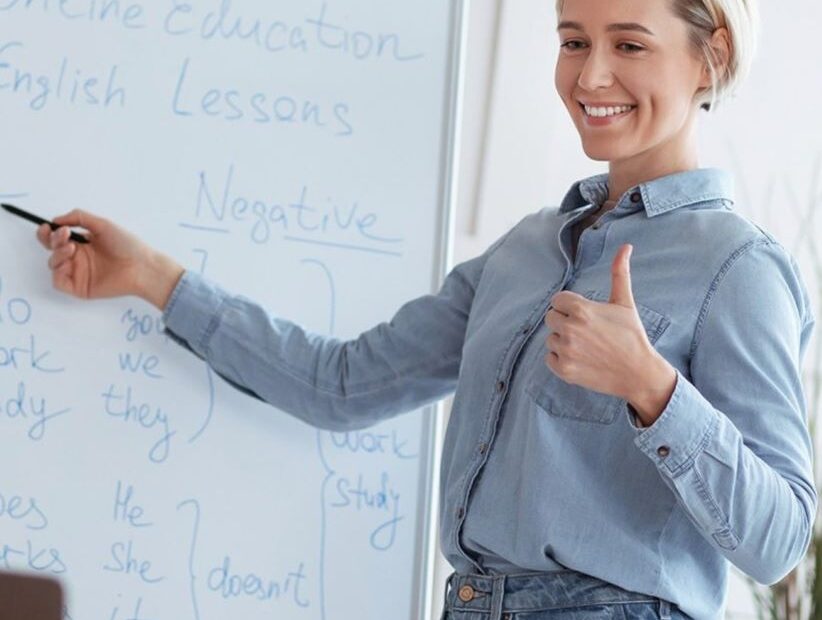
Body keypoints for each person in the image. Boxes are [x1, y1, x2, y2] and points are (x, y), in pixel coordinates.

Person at [37, 0, 816, 618]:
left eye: (630, 44)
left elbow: (779, 540)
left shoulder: (737, 268)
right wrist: (153, 276)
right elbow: (341, 385)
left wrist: (652, 389)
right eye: (573, 41)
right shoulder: (524, 250)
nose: (591, 75)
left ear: (711, 53)